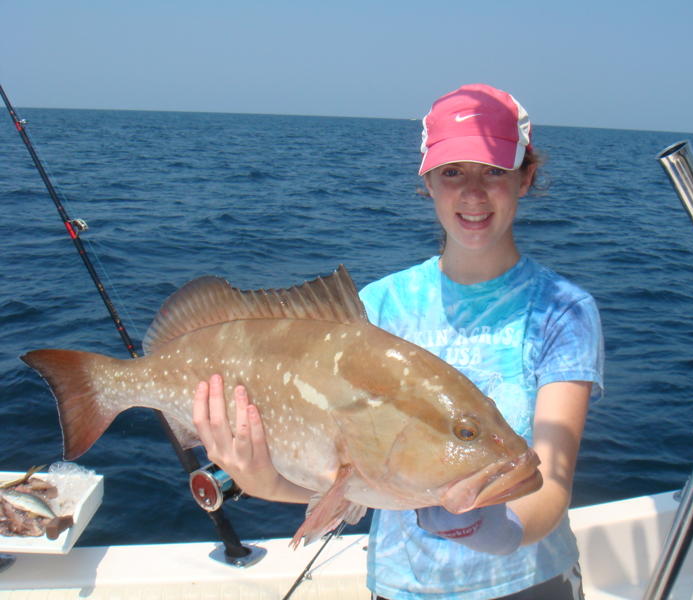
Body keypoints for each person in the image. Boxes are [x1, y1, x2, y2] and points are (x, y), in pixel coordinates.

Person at [193, 83, 604, 600]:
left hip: (532, 583)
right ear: (427, 181)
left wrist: (503, 531)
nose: (473, 193)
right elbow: (342, 482)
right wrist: (255, 478)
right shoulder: (377, 309)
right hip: (401, 589)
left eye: (495, 171)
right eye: (453, 172)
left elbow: (553, 478)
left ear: (526, 178)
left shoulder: (562, 311)